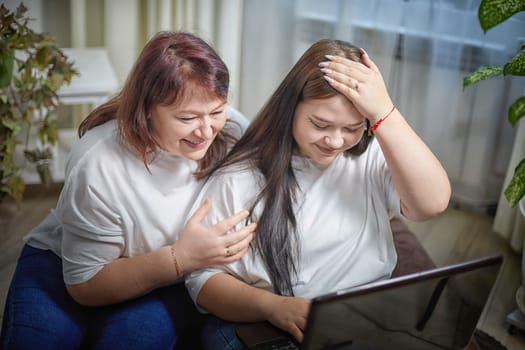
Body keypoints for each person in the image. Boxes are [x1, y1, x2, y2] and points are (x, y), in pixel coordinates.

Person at [184, 38, 451, 349]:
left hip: (365, 318)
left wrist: (385, 111)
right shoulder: (239, 178)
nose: (335, 142)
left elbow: (432, 204)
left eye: (352, 128)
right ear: (291, 108)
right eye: (320, 124)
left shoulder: (371, 158)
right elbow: (202, 280)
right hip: (271, 324)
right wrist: (273, 307)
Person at [0, 31, 257, 350]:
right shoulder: (98, 160)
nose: (206, 130)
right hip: (68, 265)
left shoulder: (232, 131)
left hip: (164, 281)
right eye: (187, 118)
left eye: (217, 111)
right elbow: (84, 284)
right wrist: (181, 256)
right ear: (147, 109)